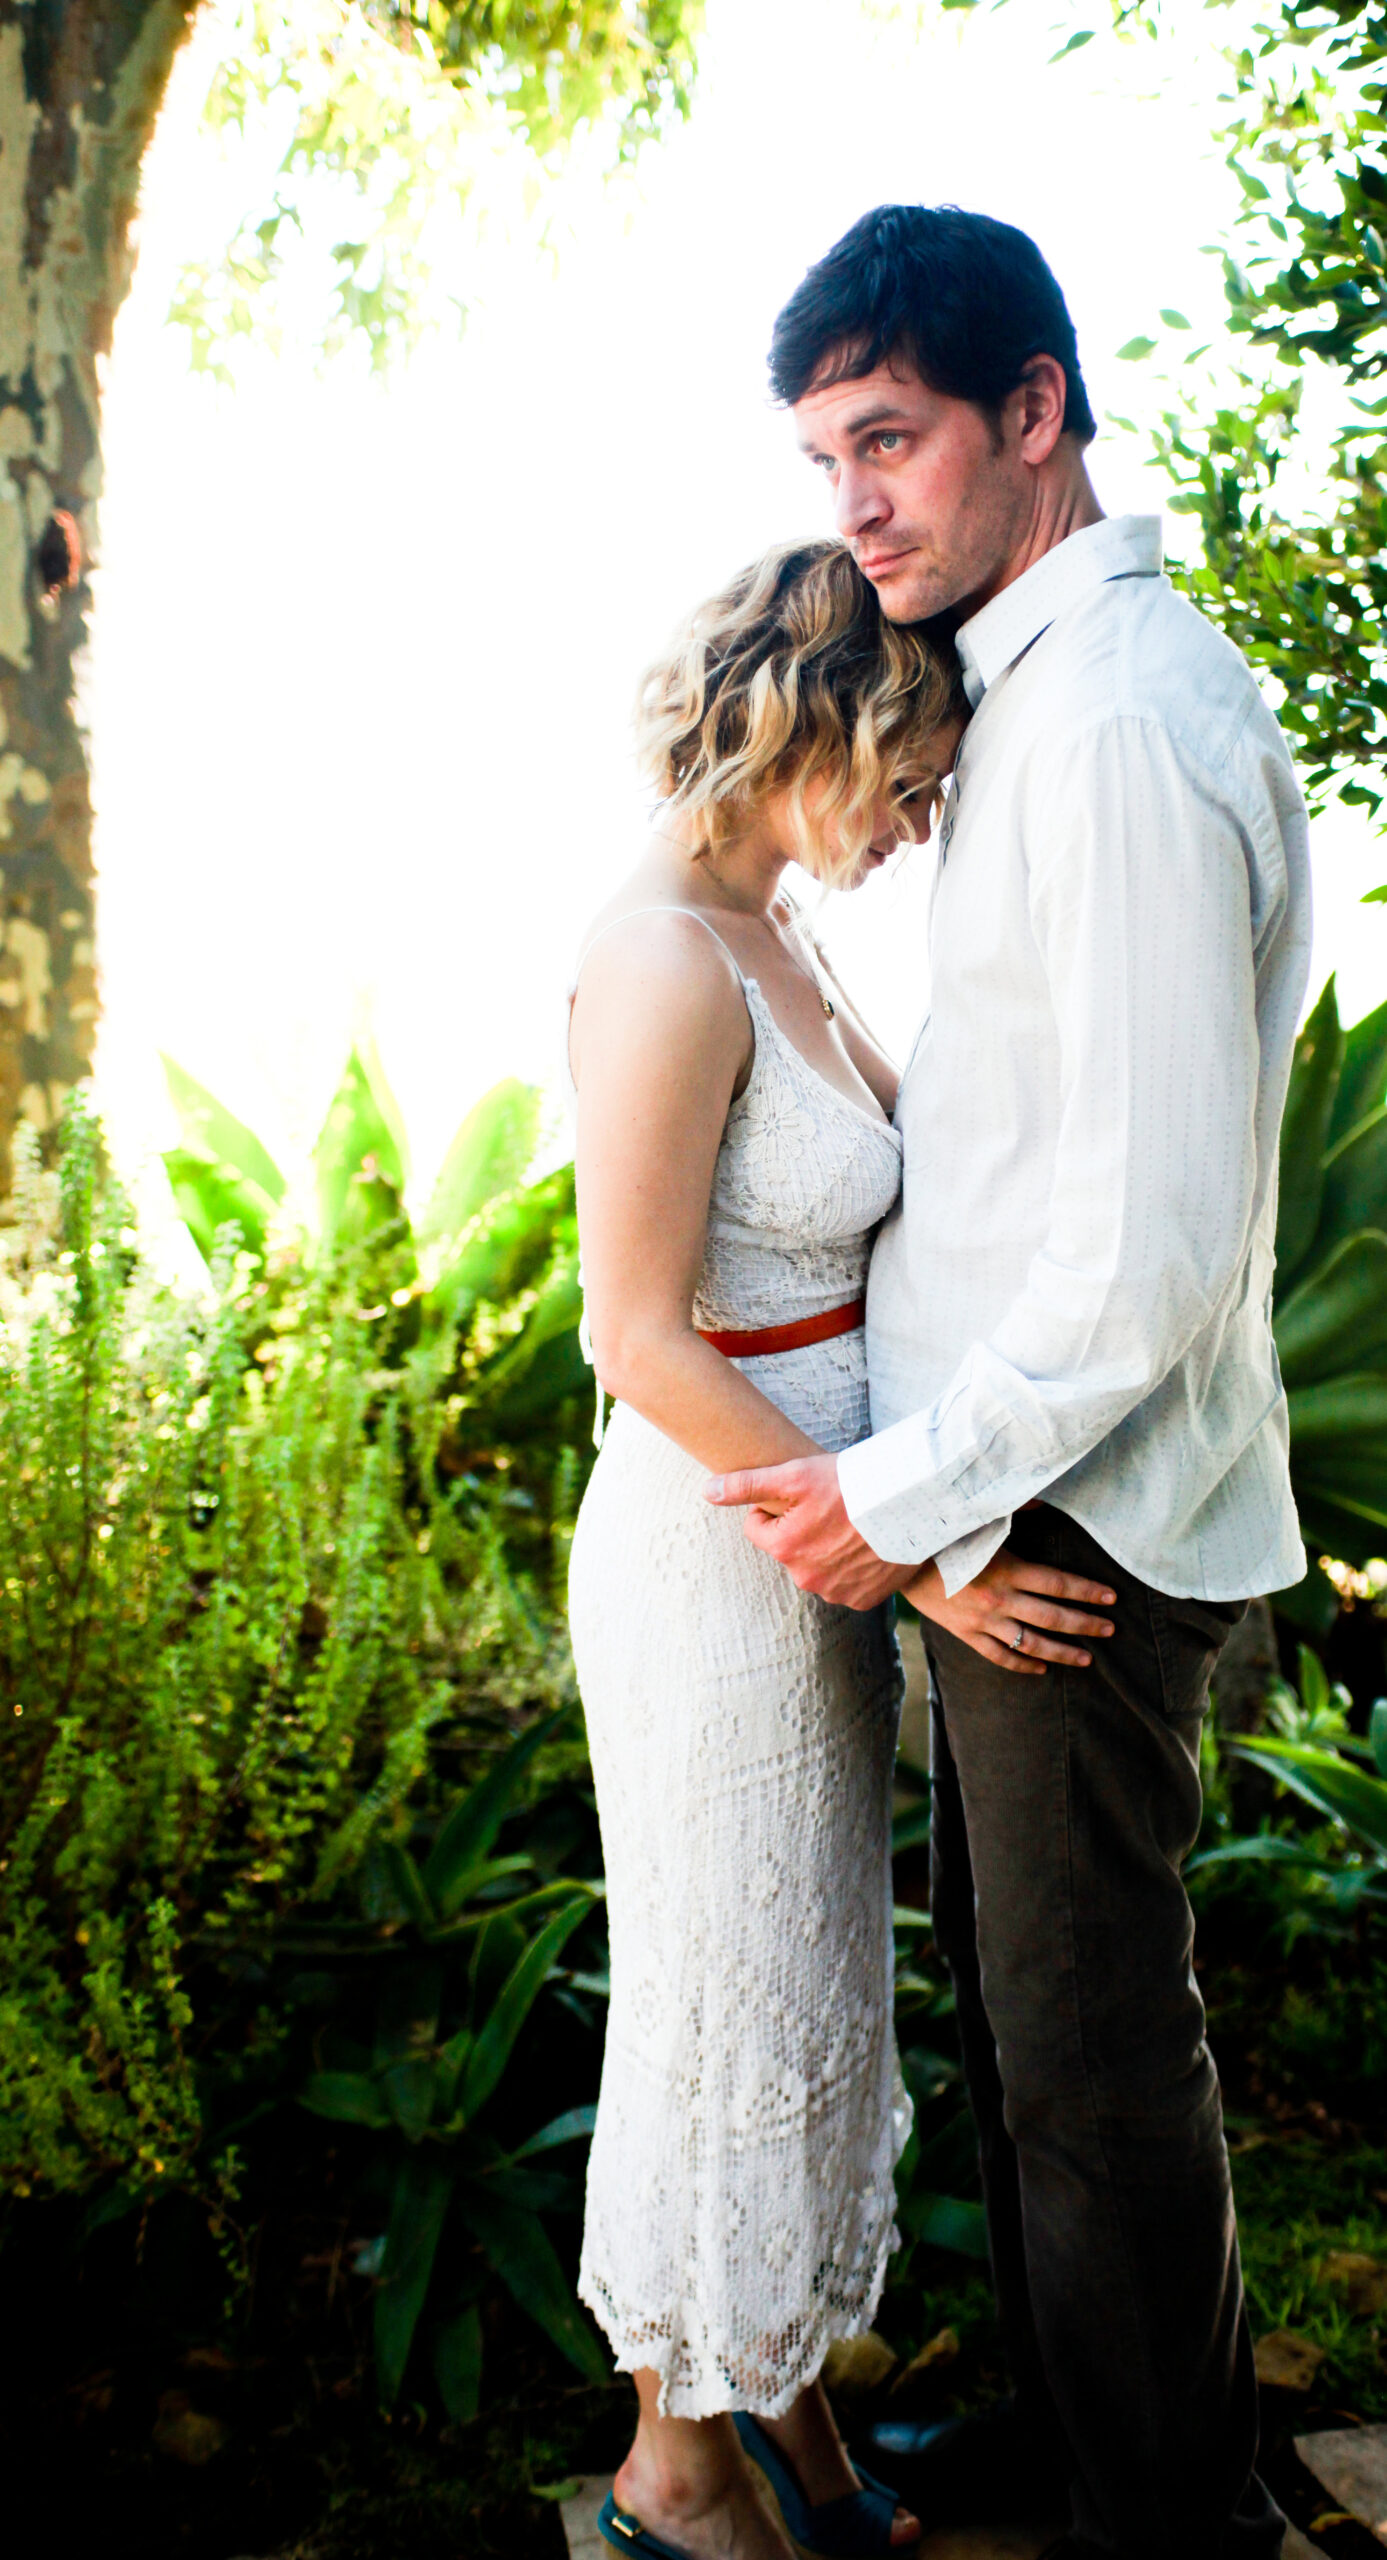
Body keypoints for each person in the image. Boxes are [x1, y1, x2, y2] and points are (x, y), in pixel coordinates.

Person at [707, 208, 1312, 2560]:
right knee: (1025, 2035)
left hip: (1072, 1505)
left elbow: (1146, 1245)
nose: (854, 502)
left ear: (1033, 411)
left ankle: (1172, 2520)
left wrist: (903, 1493)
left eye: (891, 438)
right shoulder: (1037, 700)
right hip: (1010, 1493)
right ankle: (1084, 2447)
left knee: (1093, 2062)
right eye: (823, 458)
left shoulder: (1123, 722)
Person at [565, 536, 1118, 2560]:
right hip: (723, 1554)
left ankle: (784, 2411)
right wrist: (914, 1552)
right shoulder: (659, 958)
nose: (913, 825)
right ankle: (673, 2471)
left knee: (793, 1980)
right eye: (906, 780)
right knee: (719, 2002)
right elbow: (636, 1339)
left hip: (812, 1543)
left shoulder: (773, 919)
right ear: (817, 727)